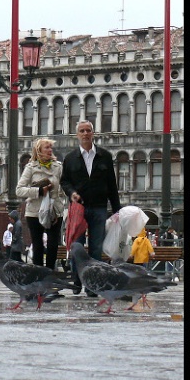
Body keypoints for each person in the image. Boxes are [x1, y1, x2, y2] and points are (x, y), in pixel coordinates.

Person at [61, 120, 122, 297]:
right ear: (77, 135)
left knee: (96, 247)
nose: (85, 133)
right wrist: (71, 193)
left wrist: (117, 208)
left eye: (88, 130)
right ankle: (77, 280)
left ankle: (93, 284)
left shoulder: (105, 156)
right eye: (82, 131)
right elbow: (64, 181)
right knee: (77, 246)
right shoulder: (70, 158)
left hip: (99, 206)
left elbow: (112, 184)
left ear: (93, 133)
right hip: (78, 207)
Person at [16, 137, 65, 270]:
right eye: (47, 148)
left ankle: (50, 274)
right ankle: (38, 277)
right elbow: (19, 190)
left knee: (53, 244)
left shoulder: (58, 167)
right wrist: (38, 191)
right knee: (37, 245)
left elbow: (65, 186)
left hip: (54, 211)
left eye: (51, 148)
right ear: (39, 151)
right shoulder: (31, 167)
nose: (50, 150)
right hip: (34, 212)